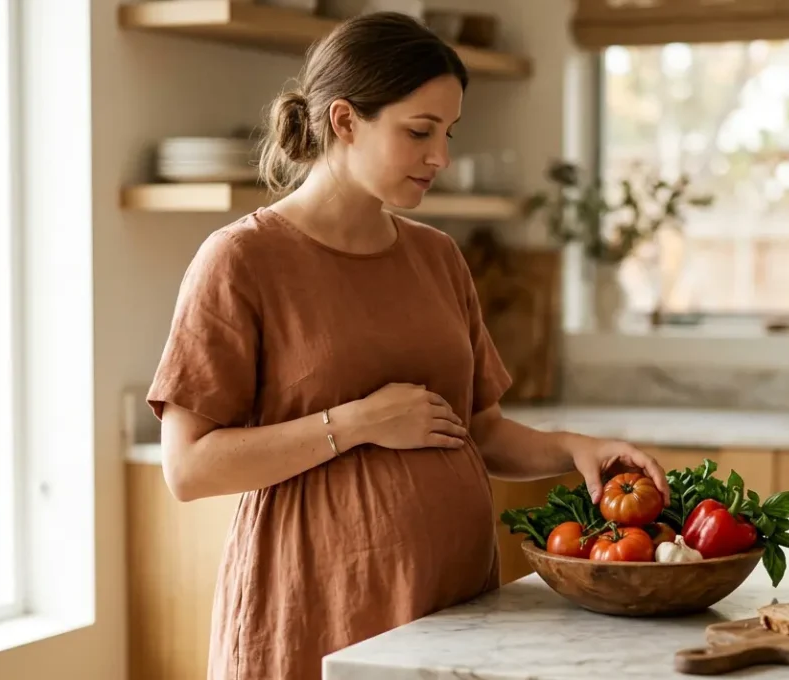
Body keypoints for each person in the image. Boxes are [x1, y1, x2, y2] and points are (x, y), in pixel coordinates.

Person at [146, 12, 671, 680]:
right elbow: (189, 467)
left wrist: (577, 449)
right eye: (419, 132)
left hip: (452, 599)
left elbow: (476, 431)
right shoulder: (240, 260)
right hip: (319, 603)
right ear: (344, 121)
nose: (441, 158)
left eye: (448, 134)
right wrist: (356, 423)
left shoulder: (439, 257)